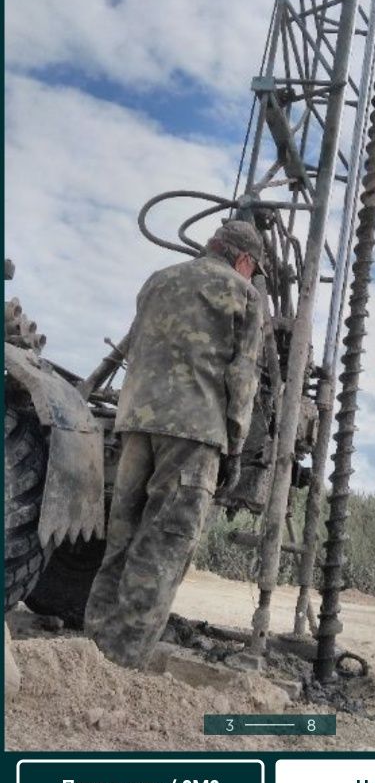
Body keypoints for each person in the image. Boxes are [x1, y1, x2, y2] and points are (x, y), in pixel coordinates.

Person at [84, 220, 264, 669]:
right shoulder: (243, 294)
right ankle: (120, 666)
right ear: (244, 260)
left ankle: (90, 653)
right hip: (194, 432)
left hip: (136, 426)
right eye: (253, 269)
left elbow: (135, 348)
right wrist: (236, 446)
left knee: (120, 540)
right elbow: (243, 377)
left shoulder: (157, 281)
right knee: (163, 549)